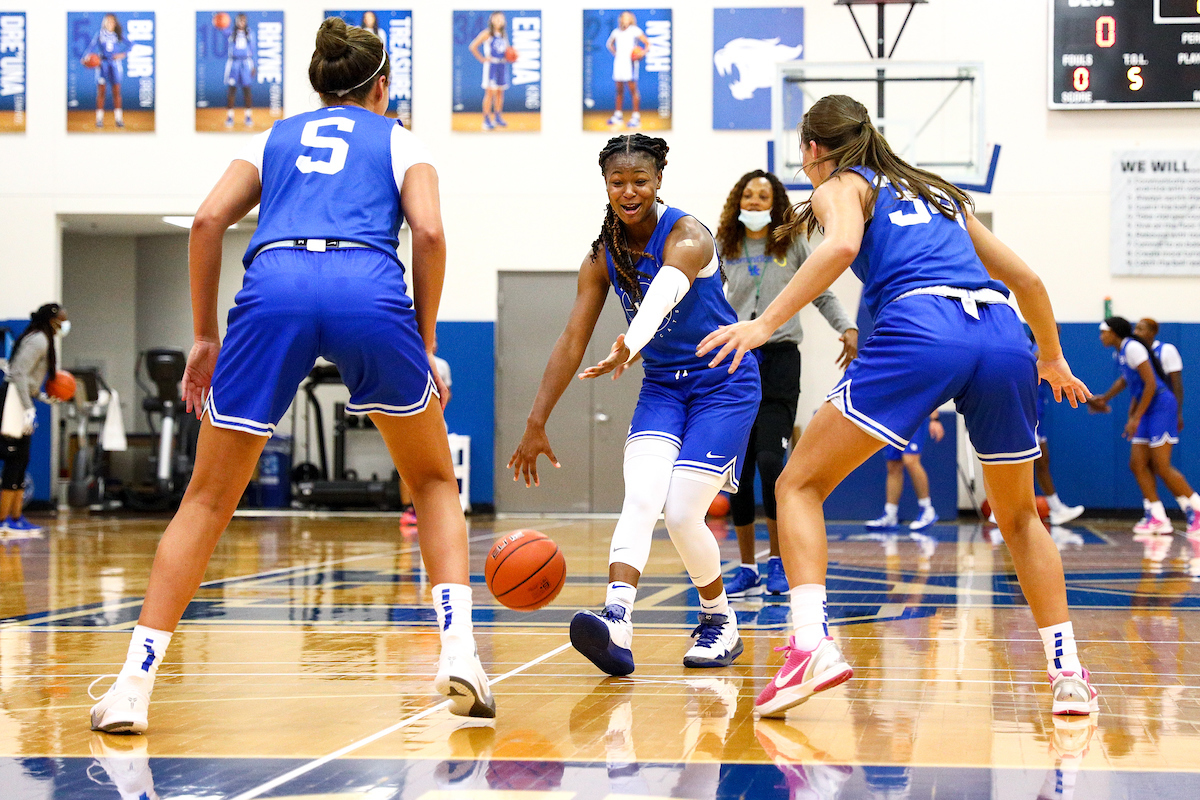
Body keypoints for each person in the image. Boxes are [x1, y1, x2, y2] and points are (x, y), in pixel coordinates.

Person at [89, 17, 494, 734]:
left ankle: (131, 688)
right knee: (432, 480)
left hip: (273, 281)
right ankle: (458, 650)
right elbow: (429, 234)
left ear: (317, 84)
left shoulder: (271, 137)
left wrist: (206, 335)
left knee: (207, 501)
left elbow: (207, 222)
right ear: (383, 86)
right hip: (365, 282)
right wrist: (425, 343)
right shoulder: (400, 138)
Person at [698, 94, 1099, 718]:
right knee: (1020, 518)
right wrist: (1051, 358)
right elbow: (1030, 283)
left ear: (813, 149)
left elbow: (837, 250)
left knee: (798, 484)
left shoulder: (843, 183)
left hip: (923, 326)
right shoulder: (941, 195)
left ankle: (810, 647)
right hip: (1001, 333)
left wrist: (762, 324)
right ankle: (1068, 673)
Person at [509, 133, 761, 675]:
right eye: (617, 182)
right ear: (605, 185)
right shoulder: (603, 254)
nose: (629, 191)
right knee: (641, 497)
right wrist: (536, 421)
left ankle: (720, 619)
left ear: (659, 181)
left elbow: (665, 292)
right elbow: (572, 338)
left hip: (724, 381)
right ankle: (617, 619)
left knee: (682, 512)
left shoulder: (689, 234)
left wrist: (632, 342)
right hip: (665, 386)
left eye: (639, 181)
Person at [715, 169, 857, 598]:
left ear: (775, 203)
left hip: (779, 360)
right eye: (749, 195)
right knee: (733, 470)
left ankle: (777, 562)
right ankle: (745, 566)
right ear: (738, 202)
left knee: (770, 463)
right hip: (734, 361)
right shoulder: (725, 246)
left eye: (764, 196)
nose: (755, 202)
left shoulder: (791, 244)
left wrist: (847, 328)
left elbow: (823, 292)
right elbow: (704, 298)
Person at [1089, 317, 1200, 537]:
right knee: (1137, 464)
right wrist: (1105, 398)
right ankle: (1158, 517)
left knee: (1162, 466)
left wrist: (1135, 418)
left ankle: (1196, 508)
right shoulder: (1121, 352)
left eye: (1104, 332)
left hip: (1161, 406)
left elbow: (1150, 384)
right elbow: (1127, 381)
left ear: (1114, 333)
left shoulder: (1133, 348)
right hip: (1146, 407)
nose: (1101, 337)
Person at [1, 304, 69, 533]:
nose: (65, 321)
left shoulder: (43, 340)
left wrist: (41, 396)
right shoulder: (38, 340)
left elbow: (27, 380)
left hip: (21, 400)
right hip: (13, 402)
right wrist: (28, 407)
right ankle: (3, 521)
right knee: (13, 461)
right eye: (62, 317)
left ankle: (16, 518)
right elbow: (17, 373)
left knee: (22, 460)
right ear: (52, 320)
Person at [1030, 332, 1086, 526]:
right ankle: (1002, 510)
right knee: (1027, 463)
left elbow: (1061, 384)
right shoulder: (1038, 353)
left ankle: (1056, 508)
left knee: (1042, 462)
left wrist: (1089, 400)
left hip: (1037, 416)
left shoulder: (1041, 354)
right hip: (1029, 415)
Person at [865, 413, 944, 531]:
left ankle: (927, 509)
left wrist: (934, 419)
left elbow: (931, 393)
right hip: (895, 415)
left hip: (915, 415)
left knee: (910, 460)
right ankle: (890, 514)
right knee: (893, 464)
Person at [1134, 317, 1184, 434]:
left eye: (1140, 329)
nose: (1136, 332)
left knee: (1159, 449)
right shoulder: (1135, 352)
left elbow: (1177, 385)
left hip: (1163, 407)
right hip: (1144, 407)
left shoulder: (1167, 350)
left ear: (1152, 332)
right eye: (1135, 329)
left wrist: (1178, 413)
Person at [82, 14, 129, 129]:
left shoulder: (117, 35)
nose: (109, 24)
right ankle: (99, 119)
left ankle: (118, 119)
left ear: (115, 23)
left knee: (116, 92)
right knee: (101, 92)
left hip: (115, 64)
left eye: (112, 22)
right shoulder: (100, 35)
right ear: (104, 23)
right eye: (107, 22)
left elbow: (131, 44)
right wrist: (85, 58)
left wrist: (123, 54)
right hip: (103, 64)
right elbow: (91, 47)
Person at [606, 12, 649, 129]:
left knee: (633, 90)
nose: (625, 19)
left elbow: (647, 43)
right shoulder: (616, 32)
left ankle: (636, 117)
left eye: (627, 17)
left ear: (631, 19)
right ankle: (618, 116)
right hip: (619, 63)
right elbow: (609, 44)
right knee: (619, 90)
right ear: (620, 19)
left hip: (630, 63)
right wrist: (616, 54)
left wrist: (641, 53)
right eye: (623, 17)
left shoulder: (635, 30)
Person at [469, 12, 510, 131]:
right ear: (492, 20)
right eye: (497, 18)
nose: (499, 21)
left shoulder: (503, 35)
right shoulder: (487, 33)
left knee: (500, 92)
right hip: (491, 65)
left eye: (501, 19)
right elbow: (473, 46)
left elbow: (506, 50)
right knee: (490, 93)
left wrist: (511, 55)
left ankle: (497, 116)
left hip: (502, 65)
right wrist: (482, 58)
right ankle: (486, 119)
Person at [225, 13, 256, 128]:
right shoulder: (232, 34)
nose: (241, 23)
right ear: (236, 21)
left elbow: (253, 50)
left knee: (247, 90)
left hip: (246, 64)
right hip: (234, 63)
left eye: (243, 21)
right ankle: (230, 116)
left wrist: (254, 65)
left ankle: (248, 116)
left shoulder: (250, 34)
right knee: (231, 90)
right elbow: (223, 31)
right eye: (239, 20)